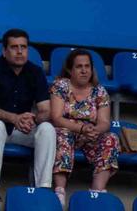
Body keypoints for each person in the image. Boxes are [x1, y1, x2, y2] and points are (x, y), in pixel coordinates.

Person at [0, 29, 55, 190]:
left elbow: (46, 109)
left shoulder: (35, 72)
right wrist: (14, 118)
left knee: (47, 129)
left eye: (23, 47)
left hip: (21, 129)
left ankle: (43, 188)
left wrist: (33, 120)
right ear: (5, 51)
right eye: (14, 47)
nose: (20, 52)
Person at [49, 49, 117, 198]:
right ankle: (60, 191)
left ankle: (97, 191)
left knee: (111, 138)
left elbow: (105, 122)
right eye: (79, 67)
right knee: (62, 134)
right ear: (70, 69)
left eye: (87, 66)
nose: (84, 71)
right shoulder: (61, 86)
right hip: (66, 130)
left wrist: (94, 130)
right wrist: (81, 128)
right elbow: (56, 118)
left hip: (89, 135)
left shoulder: (99, 91)